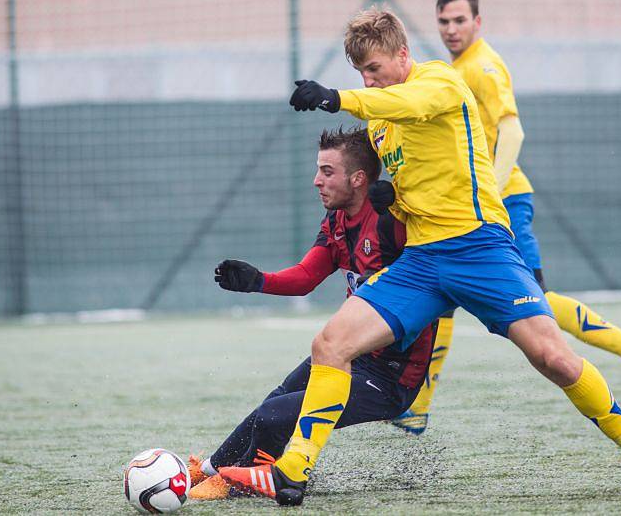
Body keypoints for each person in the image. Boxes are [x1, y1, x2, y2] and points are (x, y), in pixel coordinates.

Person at [217, 8, 621, 506]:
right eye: (361, 74)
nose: (369, 81)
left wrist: (336, 97)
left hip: (480, 248)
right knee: (330, 344)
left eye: (376, 69)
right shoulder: (380, 119)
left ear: (403, 55)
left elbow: (414, 103)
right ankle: (291, 472)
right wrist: (394, 201)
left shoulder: (441, 81)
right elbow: (414, 174)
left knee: (553, 358)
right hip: (423, 261)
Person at [389, 0, 621, 436]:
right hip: (476, 208)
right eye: (444, 21)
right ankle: (417, 406)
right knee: (447, 300)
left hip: (501, 202)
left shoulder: (482, 65)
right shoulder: (454, 69)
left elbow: (513, 134)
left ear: (478, 22)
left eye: (460, 20)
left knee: (532, 302)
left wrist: (490, 194)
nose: (451, 29)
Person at [185, 126, 453, 500]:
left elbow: (443, 257)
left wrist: (399, 204)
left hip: (390, 378)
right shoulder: (338, 221)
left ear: (358, 178)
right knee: (272, 401)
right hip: (348, 354)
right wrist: (258, 280)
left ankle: (237, 483)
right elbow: (308, 275)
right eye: (318, 170)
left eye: (327, 171)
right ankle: (210, 469)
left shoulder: (394, 222)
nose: (316, 181)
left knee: (275, 416)